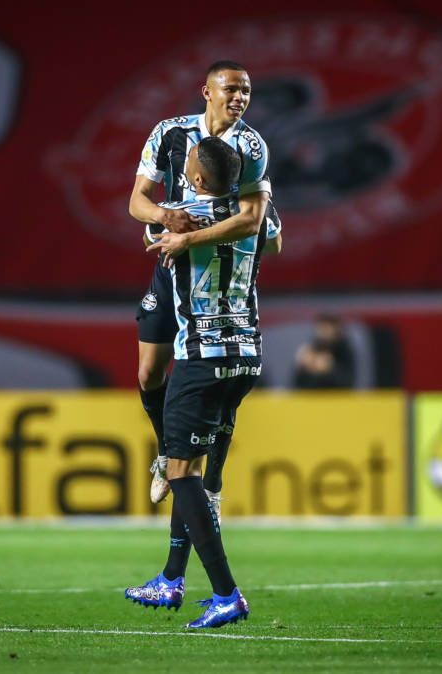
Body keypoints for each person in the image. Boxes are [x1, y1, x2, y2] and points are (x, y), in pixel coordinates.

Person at [125, 137, 273, 628]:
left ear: (196, 178)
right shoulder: (254, 216)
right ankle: (171, 578)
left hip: (201, 358)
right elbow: (272, 238)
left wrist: (171, 224)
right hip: (246, 357)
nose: (184, 163)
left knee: (180, 473)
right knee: (189, 467)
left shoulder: (183, 219)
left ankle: (226, 593)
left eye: (189, 161)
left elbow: (146, 225)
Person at [129, 60, 279, 517]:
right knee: (148, 373)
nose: (239, 98)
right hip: (172, 262)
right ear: (207, 91)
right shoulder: (169, 133)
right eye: (231, 89)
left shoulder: (251, 145)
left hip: (213, 264)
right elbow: (137, 202)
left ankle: (210, 480)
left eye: (246, 91)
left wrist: (190, 237)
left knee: (220, 370)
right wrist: (164, 217)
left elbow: (252, 220)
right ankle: (166, 451)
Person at [292, 313, 357, 389]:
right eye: (322, 329)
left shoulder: (345, 351)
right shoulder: (311, 349)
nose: (324, 333)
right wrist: (303, 367)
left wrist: (330, 369)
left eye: (328, 329)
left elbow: (349, 383)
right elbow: (298, 386)